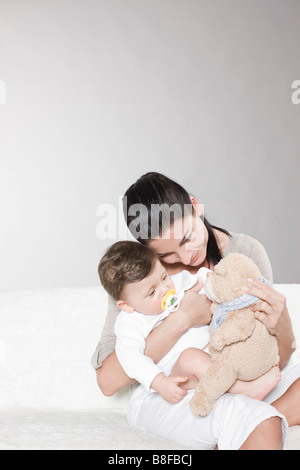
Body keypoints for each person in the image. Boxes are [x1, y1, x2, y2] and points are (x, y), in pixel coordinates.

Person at [92, 172, 300, 450]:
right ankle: (253, 422)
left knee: (252, 409)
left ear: (195, 205)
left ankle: (254, 422)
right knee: (238, 406)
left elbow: (272, 357)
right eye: (166, 256)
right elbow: (108, 381)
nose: (186, 257)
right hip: (172, 389)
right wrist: (182, 319)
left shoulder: (244, 251)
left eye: (187, 237)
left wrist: (282, 323)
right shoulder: (139, 275)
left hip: (238, 370)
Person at [98, 240, 281, 405]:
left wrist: (219, 281)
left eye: (163, 277)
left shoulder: (177, 283)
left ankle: (255, 368)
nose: (165, 290)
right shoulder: (129, 323)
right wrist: (160, 382)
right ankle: (243, 390)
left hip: (212, 352)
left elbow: (203, 279)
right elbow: (131, 359)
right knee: (191, 358)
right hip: (180, 374)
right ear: (127, 305)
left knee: (233, 340)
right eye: (152, 293)